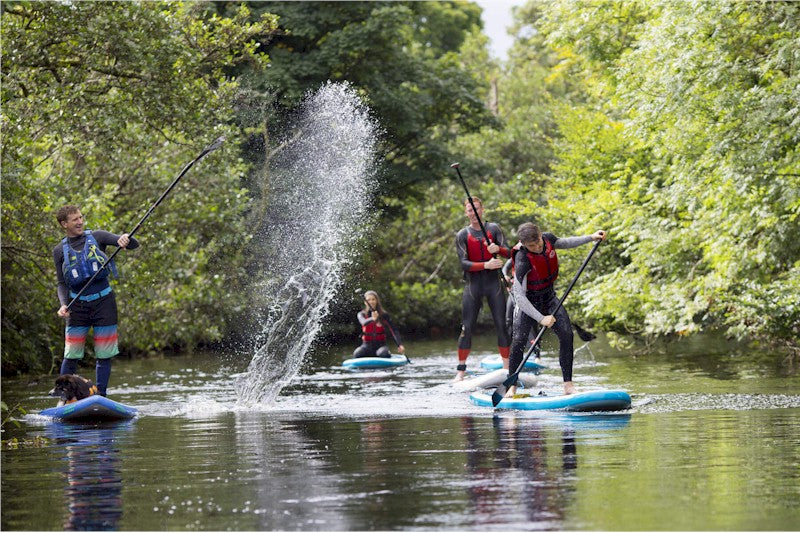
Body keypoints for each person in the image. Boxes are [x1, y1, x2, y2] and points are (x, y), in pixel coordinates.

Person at [507, 222, 606, 396]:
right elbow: (520, 298)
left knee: (567, 335)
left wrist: (591, 237)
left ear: (540, 234)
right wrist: (540, 318)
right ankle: (511, 386)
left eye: (538, 242)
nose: (537, 247)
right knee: (519, 340)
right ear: (523, 244)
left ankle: (568, 385)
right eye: (532, 246)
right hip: (528, 303)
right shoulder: (522, 259)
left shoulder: (548, 239)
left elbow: (566, 242)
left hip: (549, 298)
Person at [53, 205, 139, 396]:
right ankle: (64, 397)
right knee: (71, 355)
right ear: (64, 224)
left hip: (104, 304)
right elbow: (61, 283)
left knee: (104, 355)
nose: (80, 222)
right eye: (75, 219)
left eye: (81, 217)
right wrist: (63, 304)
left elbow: (133, 244)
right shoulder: (59, 250)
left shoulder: (98, 237)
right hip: (78, 307)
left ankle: (101, 396)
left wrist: (125, 239)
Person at [454, 197, 511, 380]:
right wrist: (486, 265)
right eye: (470, 210)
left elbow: (510, 253)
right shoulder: (462, 234)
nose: (473, 213)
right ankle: (461, 371)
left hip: (494, 284)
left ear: (482, 210)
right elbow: (463, 263)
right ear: (466, 213)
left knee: (502, 325)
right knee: (467, 328)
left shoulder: (493, 229)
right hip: (473, 286)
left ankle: (507, 367)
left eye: (476, 209)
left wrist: (498, 249)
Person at [353, 290, 405, 358]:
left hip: (381, 345)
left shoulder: (384, 315)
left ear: (377, 301)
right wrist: (372, 319)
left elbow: (393, 330)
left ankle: (385, 354)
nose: (371, 302)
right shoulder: (361, 314)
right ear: (365, 302)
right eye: (368, 300)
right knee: (357, 354)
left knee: (383, 354)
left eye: (373, 299)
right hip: (366, 345)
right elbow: (363, 322)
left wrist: (399, 345)